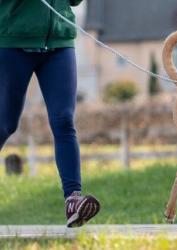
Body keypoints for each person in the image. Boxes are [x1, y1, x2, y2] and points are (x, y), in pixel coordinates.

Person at [0, 0, 100, 227]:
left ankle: (73, 199)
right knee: (5, 123)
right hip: (12, 39)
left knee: (64, 119)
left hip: (59, 40)